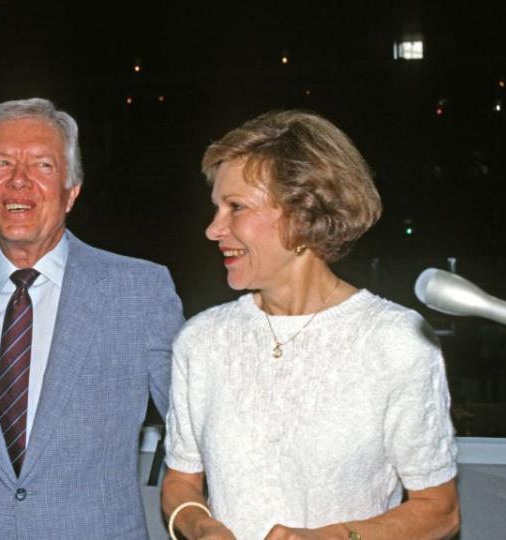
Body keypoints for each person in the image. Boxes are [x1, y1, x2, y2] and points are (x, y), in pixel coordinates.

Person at [0, 98, 184, 539]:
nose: (18, 181)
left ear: (71, 190)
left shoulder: (139, 293)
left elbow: (197, 433)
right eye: (2, 163)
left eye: (42, 165)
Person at [162, 110, 459, 540]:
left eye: (236, 208)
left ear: (302, 214)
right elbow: (181, 481)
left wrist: (333, 538)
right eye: (216, 208)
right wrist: (201, 526)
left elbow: (440, 512)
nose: (213, 229)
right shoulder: (202, 340)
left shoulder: (396, 341)